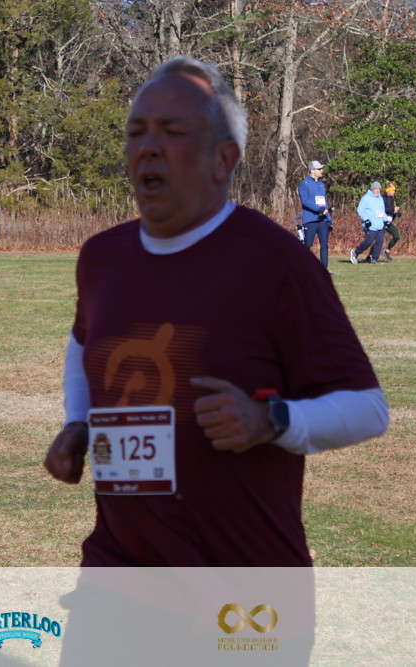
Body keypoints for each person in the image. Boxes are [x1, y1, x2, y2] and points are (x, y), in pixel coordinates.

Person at [43, 55, 389, 568]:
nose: (148, 147)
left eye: (172, 132)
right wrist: (78, 421)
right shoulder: (102, 257)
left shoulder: (274, 262)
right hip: (116, 569)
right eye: (136, 132)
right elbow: (82, 342)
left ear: (223, 160)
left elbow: (368, 409)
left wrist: (271, 421)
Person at [298, 160, 333, 269]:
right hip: (311, 219)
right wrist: (319, 209)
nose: (321, 170)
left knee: (324, 245)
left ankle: (324, 269)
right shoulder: (304, 184)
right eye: (319, 169)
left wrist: (328, 218)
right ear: (312, 170)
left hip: (323, 220)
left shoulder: (322, 185)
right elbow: (305, 201)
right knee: (308, 244)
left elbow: (324, 202)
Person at [351, 182, 388, 264]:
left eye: (379, 189)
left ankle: (374, 259)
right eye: (376, 189)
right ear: (372, 189)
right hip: (370, 225)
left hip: (379, 225)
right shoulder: (366, 198)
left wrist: (386, 220)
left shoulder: (380, 198)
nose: (378, 191)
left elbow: (382, 211)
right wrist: (366, 220)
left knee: (380, 242)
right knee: (369, 241)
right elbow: (360, 210)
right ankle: (356, 252)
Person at [381, 182, 402, 261]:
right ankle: (370, 256)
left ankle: (387, 251)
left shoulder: (392, 199)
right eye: (392, 190)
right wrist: (393, 209)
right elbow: (384, 210)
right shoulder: (383, 198)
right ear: (388, 191)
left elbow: (391, 212)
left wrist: (396, 213)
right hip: (382, 222)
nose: (394, 192)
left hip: (389, 222)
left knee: (396, 236)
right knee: (379, 240)